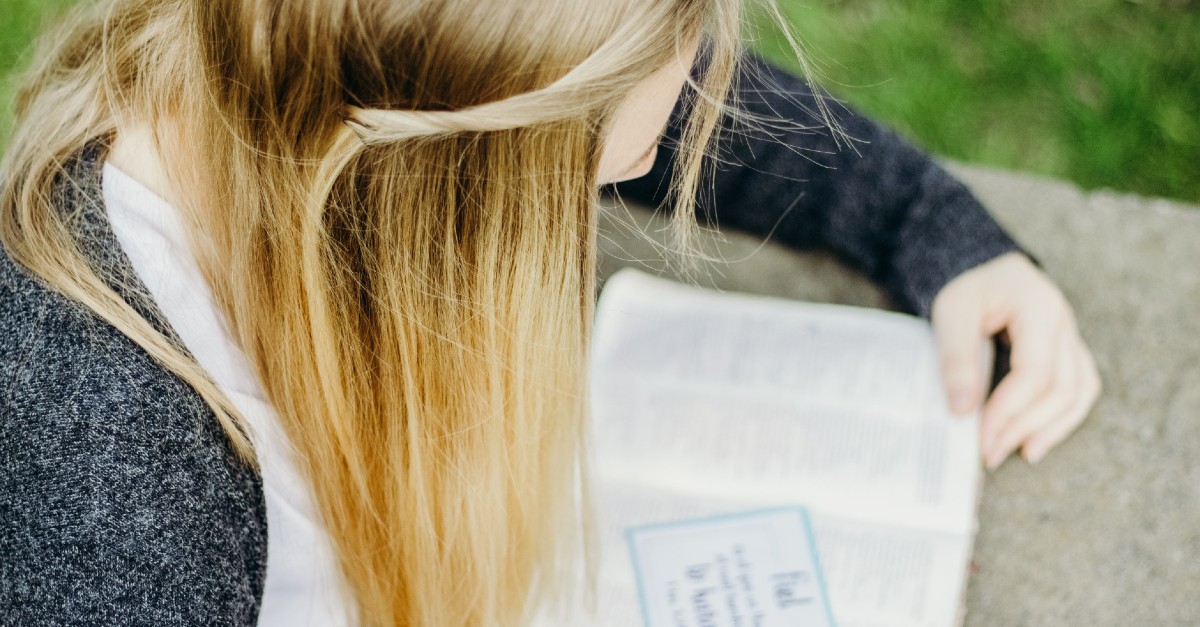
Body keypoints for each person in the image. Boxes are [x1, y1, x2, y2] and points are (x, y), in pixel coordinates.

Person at [0, 0, 1099, 624]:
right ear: (452, 190)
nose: (672, 140)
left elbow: (647, 97)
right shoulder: (109, 493)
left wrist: (931, 230)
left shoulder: (280, 69)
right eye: (586, 178)